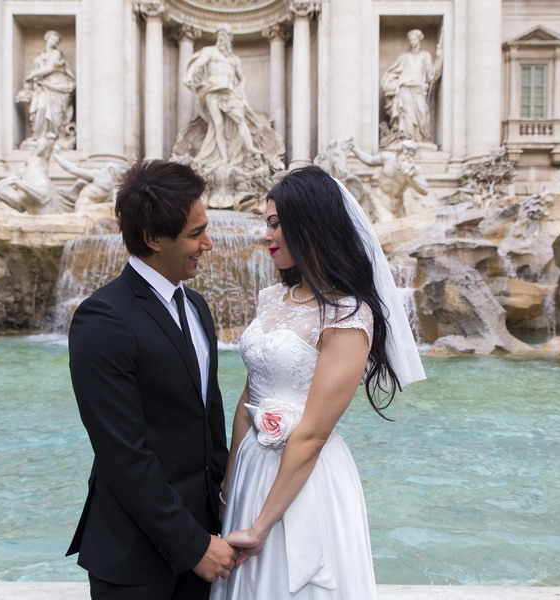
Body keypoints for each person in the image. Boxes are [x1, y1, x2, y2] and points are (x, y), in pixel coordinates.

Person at [210, 165, 426, 599]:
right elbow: (249, 395)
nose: (265, 235)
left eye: (275, 223)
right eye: (265, 224)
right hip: (253, 466)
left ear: (310, 224)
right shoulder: (270, 298)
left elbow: (312, 434)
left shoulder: (348, 314)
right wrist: (229, 484)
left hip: (307, 475)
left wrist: (259, 527)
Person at [67, 160, 236, 599]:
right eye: (196, 234)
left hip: (204, 543)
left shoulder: (197, 306)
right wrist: (193, 545)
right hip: (135, 557)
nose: (209, 244)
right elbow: (122, 453)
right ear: (153, 239)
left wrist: (220, 520)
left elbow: (208, 418)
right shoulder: (102, 317)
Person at [181, 24, 268, 169]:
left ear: (230, 39)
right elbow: (197, 64)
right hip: (212, 89)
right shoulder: (210, 52)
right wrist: (189, 75)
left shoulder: (234, 59)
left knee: (240, 118)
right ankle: (224, 159)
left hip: (229, 91)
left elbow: (242, 78)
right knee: (218, 124)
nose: (222, 39)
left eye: (225, 36)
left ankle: (250, 147)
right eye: (220, 35)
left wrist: (240, 88)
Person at [381, 28, 443, 144]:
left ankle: (421, 138)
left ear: (419, 40)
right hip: (404, 88)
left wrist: (439, 59)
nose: (412, 42)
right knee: (407, 115)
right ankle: (406, 140)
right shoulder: (403, 57)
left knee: (422, 112)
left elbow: (431, 75)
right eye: (410, 40)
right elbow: (391, 73)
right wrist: (391, 84)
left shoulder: (425, 56)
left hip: (419, 89)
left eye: (414, 39)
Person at [351, 140, 431, 221]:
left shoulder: (414, 170)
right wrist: (354, 149)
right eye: (406, 154)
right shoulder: (388, 159)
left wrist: (411, 178)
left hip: (398, 208)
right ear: (399, 152)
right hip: (381, 204)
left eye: (411, 155)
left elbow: (425, 190)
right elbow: (369, 160)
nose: (408, 157)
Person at [19, 30, 76, 143]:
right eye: (52, 39)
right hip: (43, 85)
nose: (53, 42)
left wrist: (32, 75)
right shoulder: (41, 55)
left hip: (57, 84)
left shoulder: (56, 53)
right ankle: (38, 135)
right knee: (41, 107)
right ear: (46, 39)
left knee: (56, 112)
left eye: (56, 40)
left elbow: (49, 68)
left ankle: (54, 136)